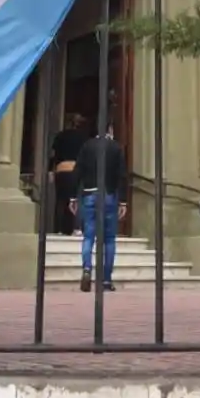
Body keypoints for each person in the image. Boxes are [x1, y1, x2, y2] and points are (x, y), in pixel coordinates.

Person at [71, 124, 127, 292]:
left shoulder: (87, 146)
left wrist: (73, 197)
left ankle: (87, 269)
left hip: (89, 194)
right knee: (109, 239)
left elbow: (77, 171)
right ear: (110, 129)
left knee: (88, 236)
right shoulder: (116, 147)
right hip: (108, 195)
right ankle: (106, 280)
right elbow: (121, 175)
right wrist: (123, 201)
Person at [49, 112, 87, 236]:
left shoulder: (60, 136)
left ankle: (59, 228)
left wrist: (51, 170)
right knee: (77, 199)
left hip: (61, 169)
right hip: (76, 169)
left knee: (60, 200)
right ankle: (76, 227)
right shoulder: (83, 138)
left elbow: (53, 156)